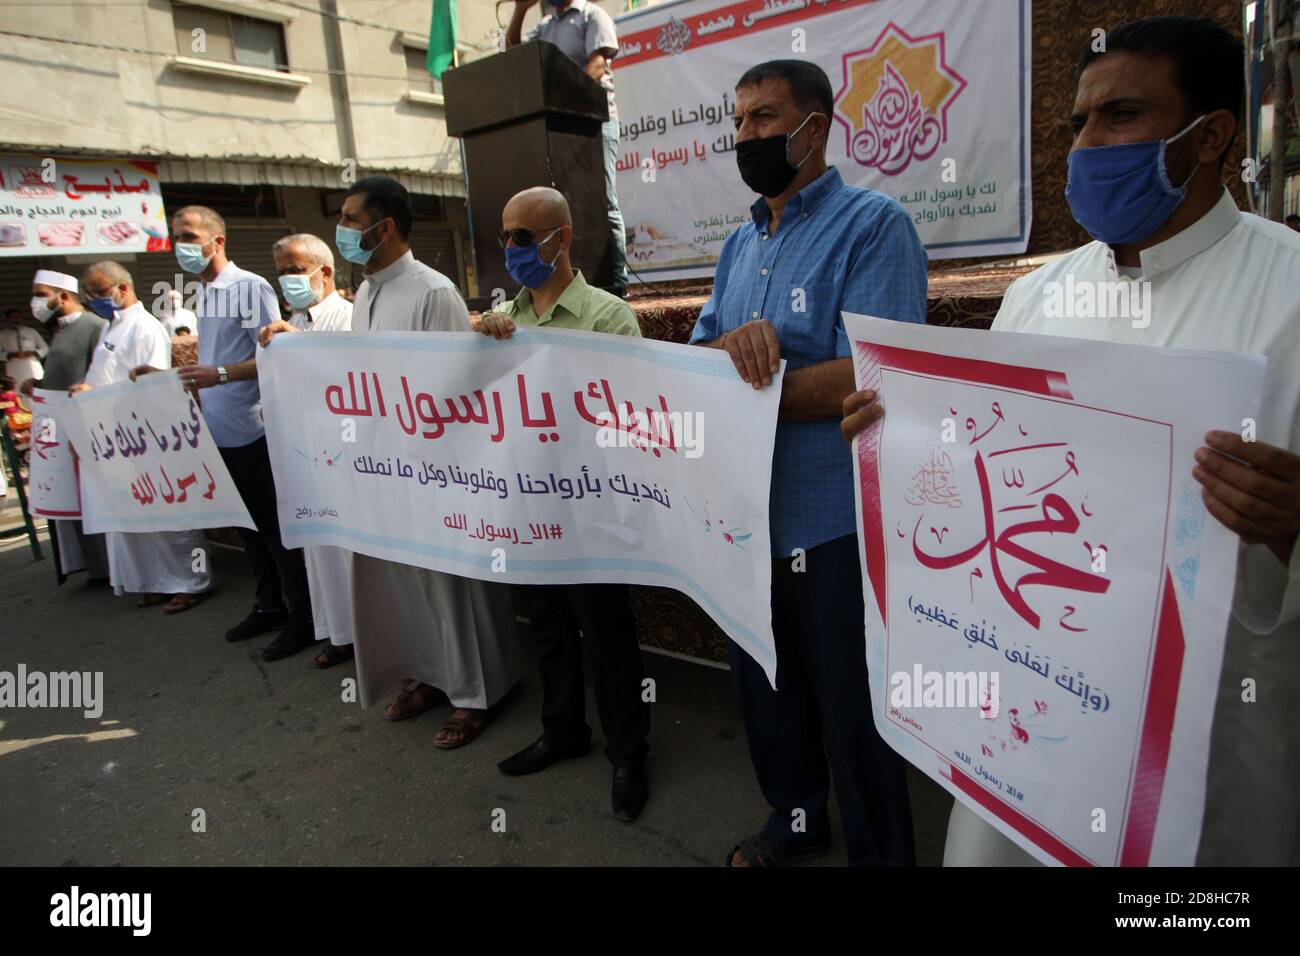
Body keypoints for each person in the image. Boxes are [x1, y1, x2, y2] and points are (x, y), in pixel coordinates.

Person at [844, 17, 1300, 866]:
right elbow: (994, 473)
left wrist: (1290, 521)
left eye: (1120, 115)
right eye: (1077, 124)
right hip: (1037, 716)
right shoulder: (1037, 297)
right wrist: (895, 442)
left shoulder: (1290, 293)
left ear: (1213, 137)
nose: (1087, 144)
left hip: (1206, 739)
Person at [688, 60, 927, 866]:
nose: (746, 136)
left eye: (762, 118)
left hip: (834, 526)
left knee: (855, 715)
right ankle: (794, 822)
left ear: (814, 128)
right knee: (769, 695)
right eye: (740, 121)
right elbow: (698, 364)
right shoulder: (737, 243)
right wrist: (727, 351)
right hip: (746, 526)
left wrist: (759, 379)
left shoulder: (874, 225)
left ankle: (881, 855)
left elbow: (876, 374)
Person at [264, 176, 521, 747]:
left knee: (454, 587)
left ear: (384, 228)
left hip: (436, 469)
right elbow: (361, 375)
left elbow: (457, 389)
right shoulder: (369, 295)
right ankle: (433, 677)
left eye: (352, 220)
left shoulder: (432, 291)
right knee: (409, 585)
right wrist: (292, 345)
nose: (345, 230)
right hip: (386, 470)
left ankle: (478, 694)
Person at [479, 186, 650, 820]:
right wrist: (484, 343)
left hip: (592, 507)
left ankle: (629, 751)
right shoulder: (503, 321)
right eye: (506, 236)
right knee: (547, 628)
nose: (512, 248)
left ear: (561, 237)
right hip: (526, 506)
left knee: (607, 637)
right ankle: (563, 731)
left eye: (524, 236)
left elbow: (628, 414)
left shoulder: (608, 317)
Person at [133, 205, 316, 661]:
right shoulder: (207, 292)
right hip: (221, 432)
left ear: (217, 240)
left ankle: (305, 618)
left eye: (190, 235)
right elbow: (210, 365)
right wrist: (163, 375)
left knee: (274, 531)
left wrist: (220, 374)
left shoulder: (248, 287)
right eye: (176, 235)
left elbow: (276, 355)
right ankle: (268, 604)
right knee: (248, 528)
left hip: (253, 429)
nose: (181, 244)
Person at [70, 262, 213, 612]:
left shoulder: (146, 327)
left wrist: (99, 392)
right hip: (121, 436)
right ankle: (161, 581)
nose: (94, 300)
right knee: (143, 516)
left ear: (122, 288)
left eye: (100, 292)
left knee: (175, 518)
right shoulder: (110, 329)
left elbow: (152, 381)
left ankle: (194, 581)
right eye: (90, 294)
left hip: (154, 433)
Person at [259, 233, 355, 668]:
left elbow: (349, 376)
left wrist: (297, 344)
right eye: (281, 272)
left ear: (325, 271)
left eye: (295, 270)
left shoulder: (347, 316)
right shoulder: (290, 322)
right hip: (307, 455)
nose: (287, 280)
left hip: (345, 458)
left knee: (350, 553)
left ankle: (362, 634)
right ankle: (338, 631)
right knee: (320, 552)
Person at [506, 0, 628, 293]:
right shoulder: (544, 27)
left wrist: (563, 98)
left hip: (595, 120)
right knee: (568, 201)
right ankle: (580, 278)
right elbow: (513, 56)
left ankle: (615, 280)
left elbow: (597, 66)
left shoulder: (592, 15)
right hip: (558, 126)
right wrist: (521, 10)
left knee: (603, 200)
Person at [20, 269, 110, 583]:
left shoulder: (96, 327)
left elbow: (99, 376)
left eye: (42, 294)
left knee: (94, 499)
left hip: (85, 427)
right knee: (72, 501)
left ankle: (109, 568)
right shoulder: (58, 330)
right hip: (58, 430)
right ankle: (92, 567)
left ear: (64, 296)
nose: (36, 302)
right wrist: (39, 384)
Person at [1, 307, 47, 390]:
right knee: (17, 393)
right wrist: (12, 355)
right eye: (13, 317)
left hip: (33, 368)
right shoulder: (2, 334)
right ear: (8, 319)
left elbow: (45, 348)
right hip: (13, 368)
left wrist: (33, 353)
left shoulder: (31, 332)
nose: (17, 319)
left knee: (37, 393)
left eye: (18, 317)